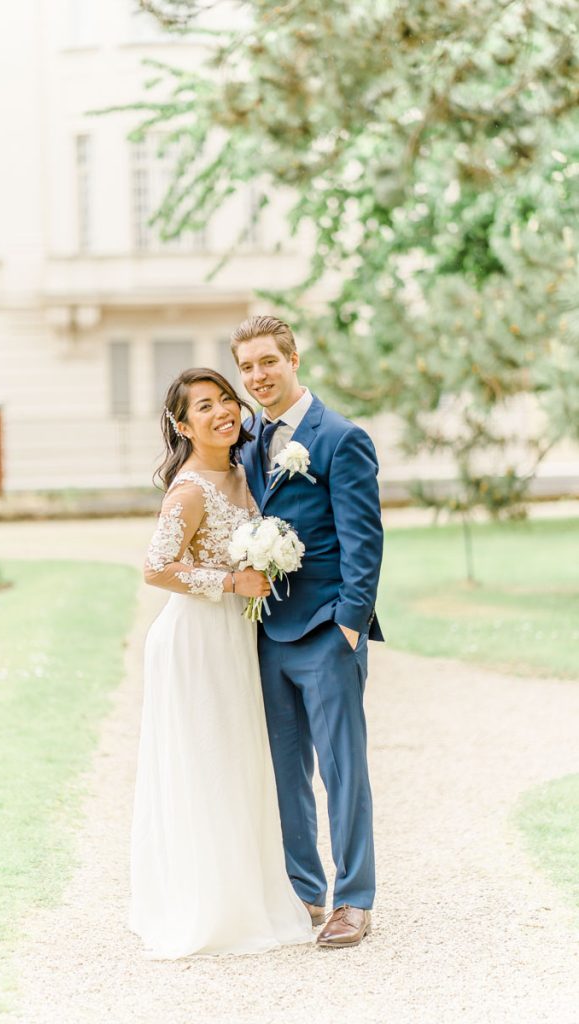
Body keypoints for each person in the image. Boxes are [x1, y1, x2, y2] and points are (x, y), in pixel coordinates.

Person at [128, 367, 313, 959]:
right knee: (209, 760)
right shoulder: (189, 490)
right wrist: (233, 581)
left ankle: (251, 891)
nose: (222, 412)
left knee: (240, 759)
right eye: (203, 407)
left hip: (234, 635)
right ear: (183, 426)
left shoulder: (243, 470)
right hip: (196, 640)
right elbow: (157, 568)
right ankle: (210, 905)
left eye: (225, 399)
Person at [231, 315, 384, 948]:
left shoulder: (340, 438)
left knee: (342, 769)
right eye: (246, 367)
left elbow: (364, 541)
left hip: (325, 629)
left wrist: (348, 626)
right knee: (285, 770)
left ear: (293, 360)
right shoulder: (247, 441)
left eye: (268, 361)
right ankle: (305, 892)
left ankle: (354, 899)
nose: (257, 376)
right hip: (268, 633)